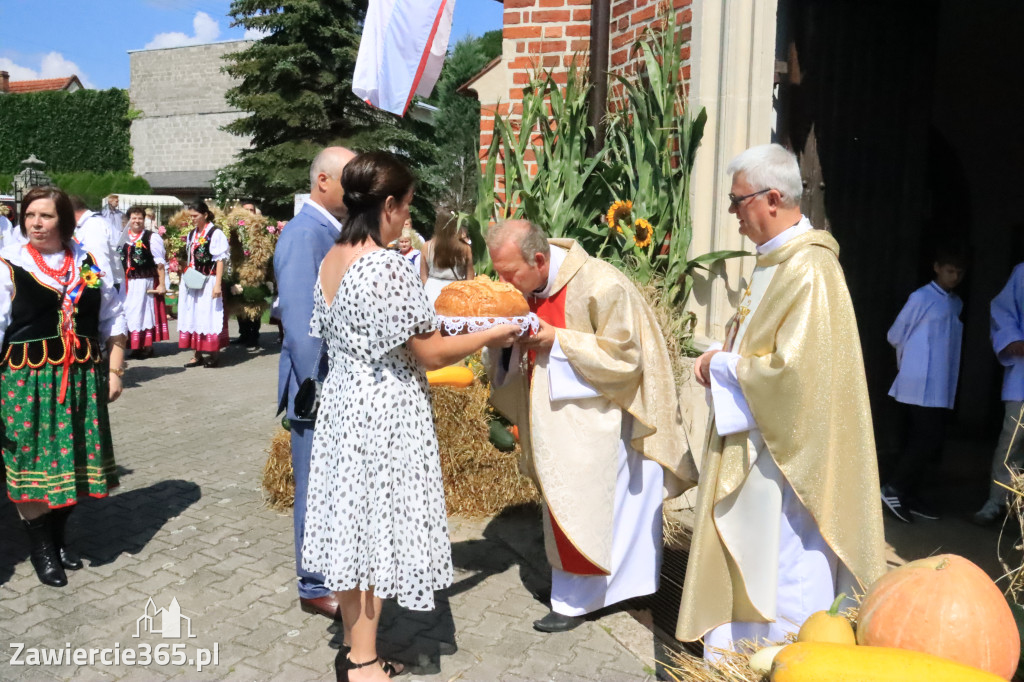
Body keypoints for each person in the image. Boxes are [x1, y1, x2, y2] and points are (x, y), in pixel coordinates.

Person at [302, 151, 521, 681]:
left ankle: (357, 650)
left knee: (354, 535)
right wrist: (496, 330)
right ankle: (363, 663)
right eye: (405, 208)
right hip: (383, 411)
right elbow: (429, 353)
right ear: (390, 204)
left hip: (345, 406)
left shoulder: (335, 257)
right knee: (375, 539)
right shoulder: (383, 265)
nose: (406, 219)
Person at [676, 144, 886, 655]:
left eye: (737, 202)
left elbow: (797, 378)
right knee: (751, 554)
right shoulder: (775, 261)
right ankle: (739, 654)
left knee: (787, 559)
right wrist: (728, 349)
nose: (733, 215)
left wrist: (722, 365)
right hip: (759, 438)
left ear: (772, 199)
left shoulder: (811, 269)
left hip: (791, 458)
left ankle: (792, 657)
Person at [484, 219, 694, 633]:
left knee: (588, 508)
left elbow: (626, 358)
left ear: (539, 259)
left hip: (603, 422)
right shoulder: (529, 289)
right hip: (557, 422)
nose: (503, 283)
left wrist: (557, 341)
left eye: (509, 274)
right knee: (571, 505)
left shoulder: (600, 283)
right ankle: (598, 592)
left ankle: (576, 601)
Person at [0, 187, 127, 587]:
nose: (36, 224)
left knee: (73, 464)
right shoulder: (9, 265)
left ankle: (58, 540)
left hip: (81, 381)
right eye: (30, 216)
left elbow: (112, 316)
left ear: (64, 221)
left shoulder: (86, 262)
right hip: (27, 383)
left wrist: (115, 370)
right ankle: (42, 550)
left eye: (46, 216)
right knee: (31, 466)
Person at [275, 146, 357, 620]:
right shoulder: (305, 233)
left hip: (331, 382)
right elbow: (305, 325)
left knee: (329, 484)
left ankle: (328, 571)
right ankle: (313, 583)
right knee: (314, 485)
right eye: (350, 180)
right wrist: (316, 390)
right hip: (318, 387)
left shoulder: (326, 229)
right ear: (323, 181)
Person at [881, 246, 966, 523]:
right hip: (919, 381)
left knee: (929, 439)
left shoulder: (955, 303)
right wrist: (911, 362)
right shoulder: (921, 297)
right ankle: (893, 489)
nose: (954, 277)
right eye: (950, 270)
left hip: (941, 382)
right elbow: (896, 334)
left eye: (959, 272)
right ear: (937, 267)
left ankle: (910, 493)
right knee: (924, 437)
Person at [976, 262, 1024, 525]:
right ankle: (997, 502)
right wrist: (1013, 339)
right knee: (1012, 440)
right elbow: (1003, 309)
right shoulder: (1022, 273)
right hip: (1023, 375)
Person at [178, 201, 228, 368]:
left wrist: (218, 285)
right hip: (194, 279)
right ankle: (197, 354)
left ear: (205, 214)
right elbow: (191, 258)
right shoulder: (192, 234)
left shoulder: (215, 233)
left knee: (209, 314)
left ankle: (213, 354)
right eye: (190, 216)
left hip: (209, 280)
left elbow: (220, 260)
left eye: (195, 216)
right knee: (193, 314)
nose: (192, 219)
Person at [120, 206, 169, 358]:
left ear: (144, 220)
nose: (137, 221)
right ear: (129, 220)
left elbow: (160, 264)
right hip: (128, 282)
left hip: (145, 281)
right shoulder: (123, 237)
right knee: (130, 314)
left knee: (144, 313)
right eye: (134, 218)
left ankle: (147, 347)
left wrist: (161, 284)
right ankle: (135, 346)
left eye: (140, 218)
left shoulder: (151, 237)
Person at [71, 196, 122, 292]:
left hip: (103, 287)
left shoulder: (93, 225)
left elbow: (98, 262)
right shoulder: (87, 224)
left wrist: (102, 293)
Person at [420, 216, 474, 305]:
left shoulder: (427, 246)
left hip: (431, 291)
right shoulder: (465, 248)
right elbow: (470, 277)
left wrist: (428, 287)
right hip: (456, 291)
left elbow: (423, 276)